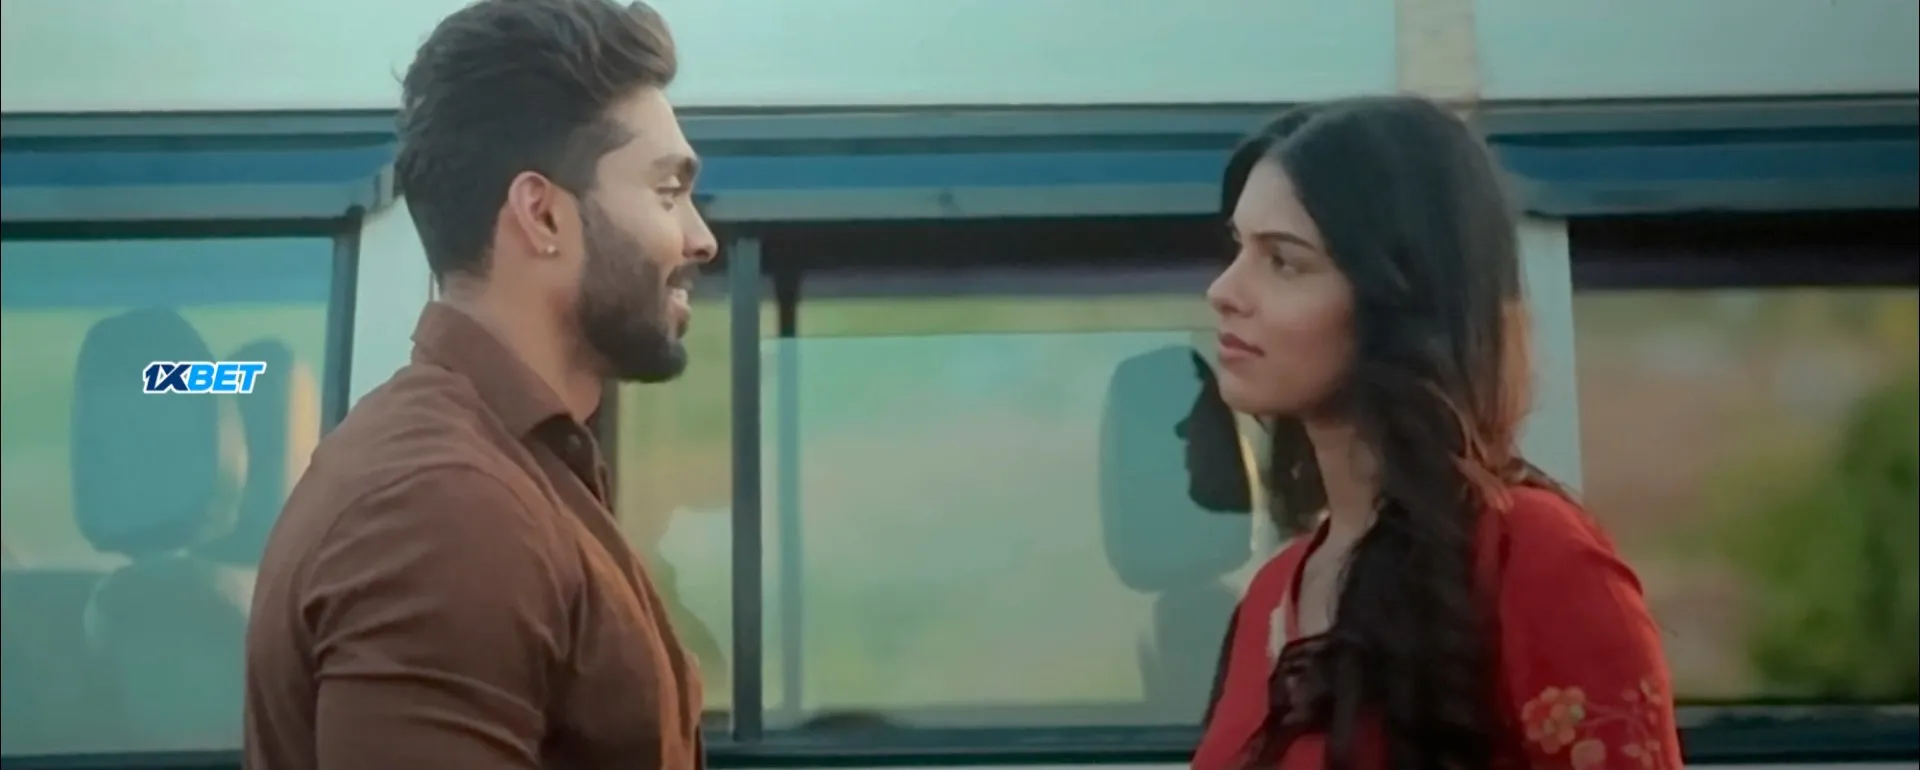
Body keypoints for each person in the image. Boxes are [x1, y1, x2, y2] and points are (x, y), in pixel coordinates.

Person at [243, 0, 717, 768]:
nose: (701, 238)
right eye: (668, 192)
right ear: (542, 216)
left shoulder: (505, 466)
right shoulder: (443, 505)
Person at [1190, 97, 1683, 769]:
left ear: (1398, 296)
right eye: (1237, 248)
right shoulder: (1272, 596)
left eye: (1284, 262)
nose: (1223, 290)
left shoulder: (1533, 558)